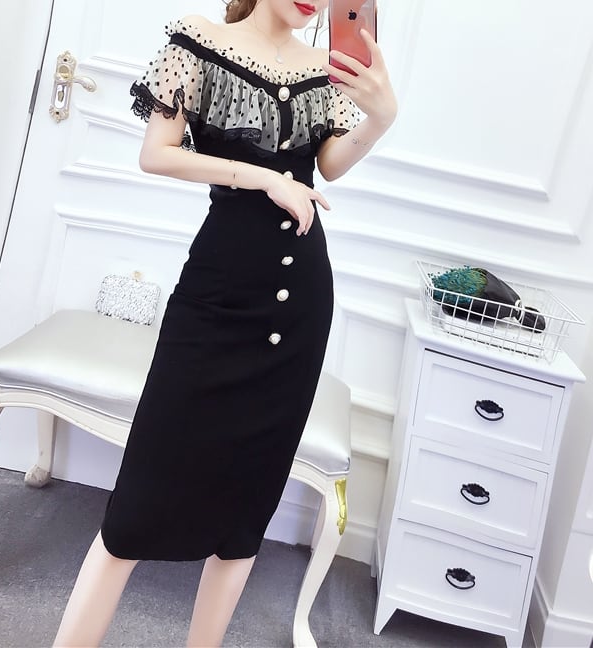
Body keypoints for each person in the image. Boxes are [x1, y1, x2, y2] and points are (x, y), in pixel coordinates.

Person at [53, 1, 396, 646]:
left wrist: (379, 120)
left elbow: (329, 164)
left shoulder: (323, 70)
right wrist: (263, 178)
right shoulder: (198, 42)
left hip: (299, 309)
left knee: (246, 510)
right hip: (216, 298)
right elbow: (156, 154)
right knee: (137, 503)